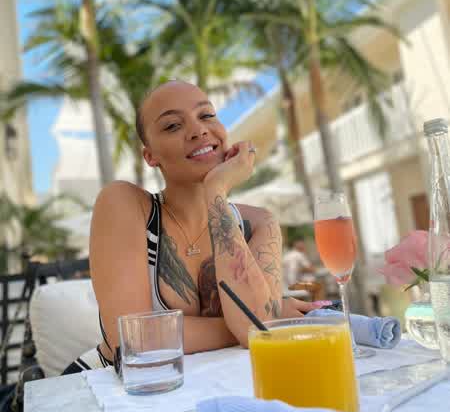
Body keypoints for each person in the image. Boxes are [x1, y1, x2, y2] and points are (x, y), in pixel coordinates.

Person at [62, 81, 317, 374]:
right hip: (111, 387)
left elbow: (256, 328)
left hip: (213, 386)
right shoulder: (124, 204)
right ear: (150, 156)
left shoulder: (259, 223)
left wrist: (216, 191)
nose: (198, 130)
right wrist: (253, 323)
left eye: (206, 115)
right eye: (172, 126)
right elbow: (132, 339)